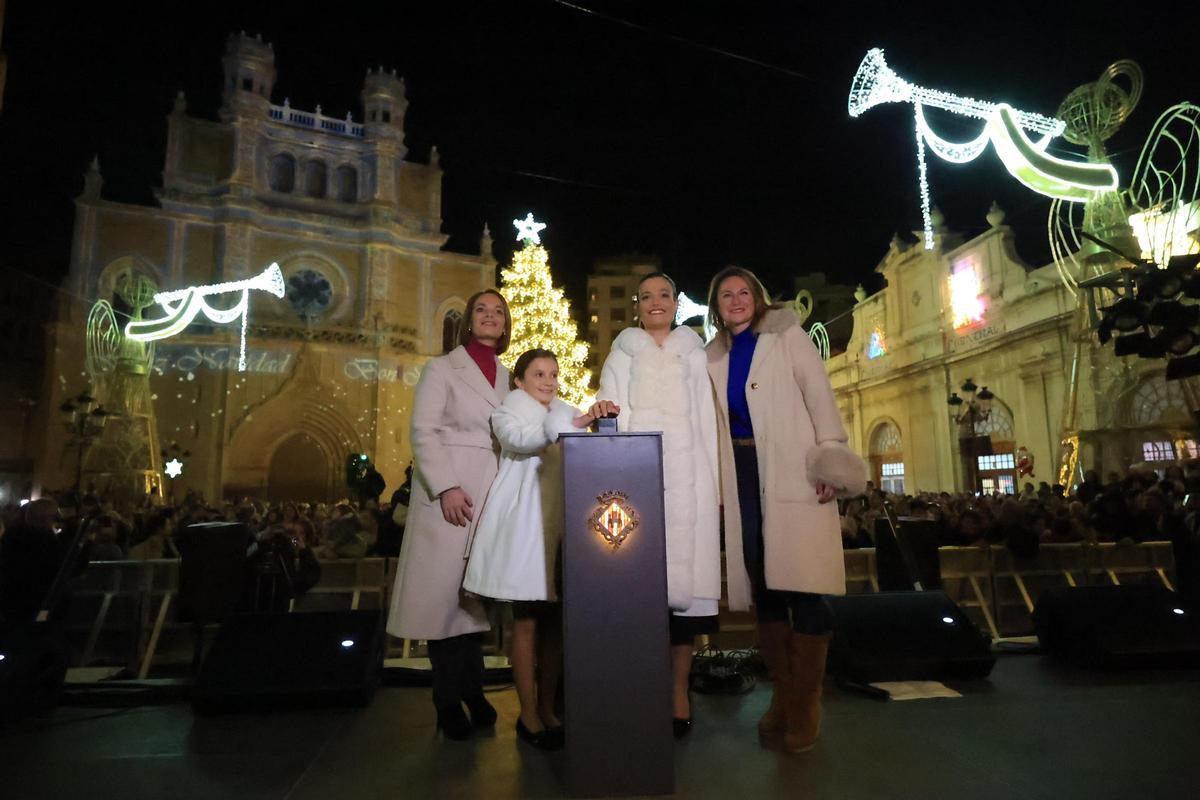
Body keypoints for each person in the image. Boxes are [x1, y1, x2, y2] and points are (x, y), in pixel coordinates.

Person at [705, 266, 866, 754]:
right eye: (726, 295)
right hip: (742, 473)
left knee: (805, 587)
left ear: (758, 298)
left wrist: (829, 456)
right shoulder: (712, 355)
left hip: (793, 469)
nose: (736, 300)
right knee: (765, 585)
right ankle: (784, 695)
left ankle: (807, 702)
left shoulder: (787, 336)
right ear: (715, 307)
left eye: (744, 292)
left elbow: (819, 396)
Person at [589, 271, 721, 738]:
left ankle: (678, 692)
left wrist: (712, 485)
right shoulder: (623, 352)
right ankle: (640, 689)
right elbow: (609, 408)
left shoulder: (695, 353)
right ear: (638, 306)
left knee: (686, 605)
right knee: (638, 595)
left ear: (676, 302)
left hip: (691, 481)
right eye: (647, 296)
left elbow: (709, 421)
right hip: (638, 484)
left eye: (664, 294)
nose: (656, 302)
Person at [386, 289, 511, 741]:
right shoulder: (441, 369)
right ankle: (446, 701)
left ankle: (472, 689)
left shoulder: (508, 376)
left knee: (474, 601)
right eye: (482, 309)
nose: (490, 316)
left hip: (489, 493)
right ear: (468, 320)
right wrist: (446, 487)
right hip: (451, 494)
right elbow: (423, 430)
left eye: (498, 311)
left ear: (505, 323)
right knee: (442, 601)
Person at [464, 349, 593, 750]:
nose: (548, 380)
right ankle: (528, 714)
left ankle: (548, 707)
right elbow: (520, 440)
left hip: (561, 527)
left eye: (553, 374)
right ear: (519, 381)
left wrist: (577, 425)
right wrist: (565, 428)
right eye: (539, 374)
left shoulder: (566, 414)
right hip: (525, 528)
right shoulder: (509, 413)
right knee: (526, 622)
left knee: (555, 623)